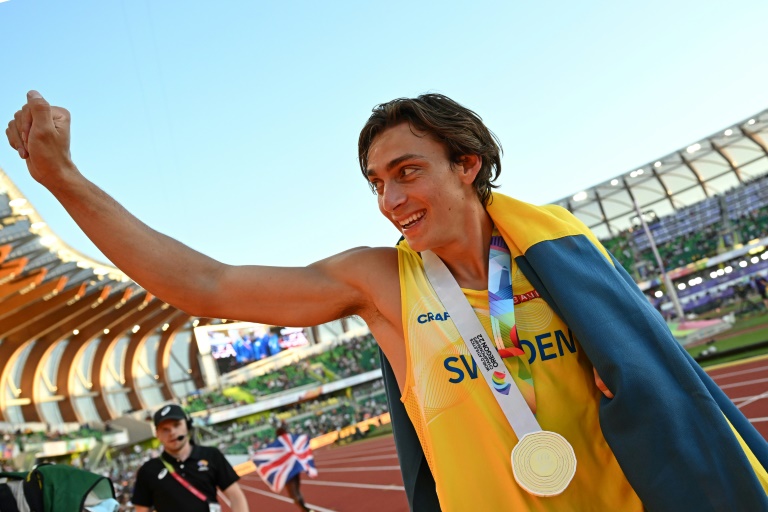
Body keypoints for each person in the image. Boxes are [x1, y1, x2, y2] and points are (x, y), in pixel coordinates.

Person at [7, 91, 768, 511]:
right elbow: (206, 284)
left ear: (466, 163)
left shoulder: (561, 255)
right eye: (377, 183)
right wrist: (64, 181)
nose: (390, 200)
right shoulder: (379, 284)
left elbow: (657, 380)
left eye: (407, 172)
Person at [130, 404, 248, 512]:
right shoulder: (148, 471)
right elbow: (141, 509)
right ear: (157, 434)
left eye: (176, 425)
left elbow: (236, 497)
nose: (172, 432)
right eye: (165, 429)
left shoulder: (211, 455)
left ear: (187, 425)